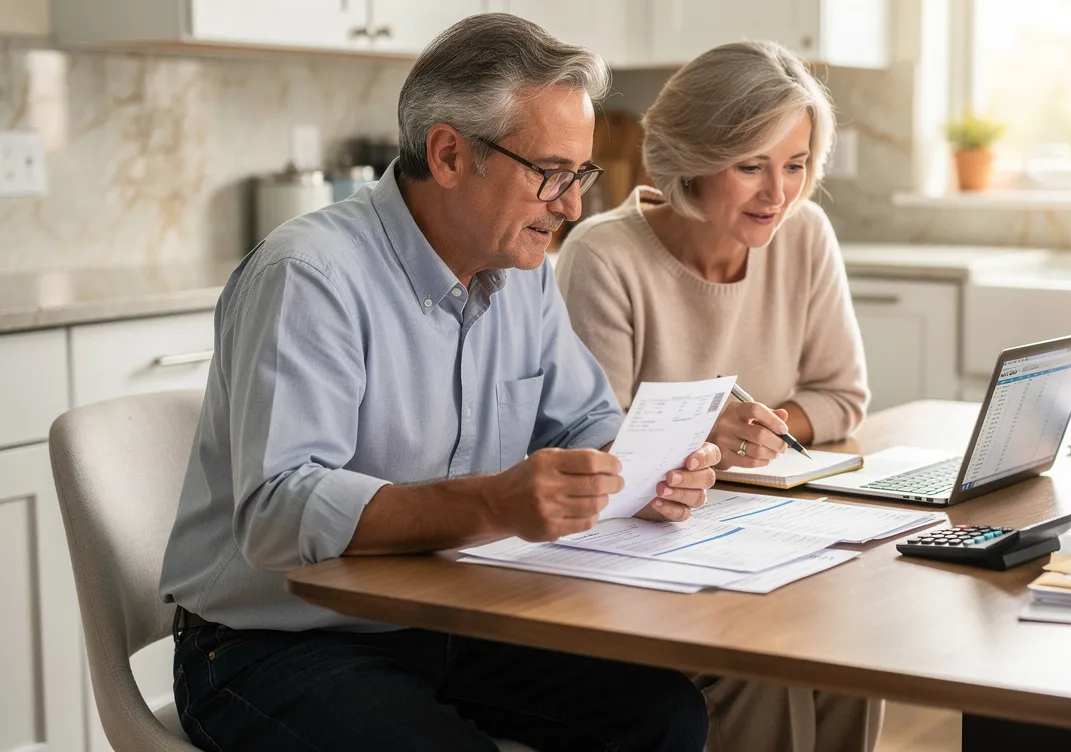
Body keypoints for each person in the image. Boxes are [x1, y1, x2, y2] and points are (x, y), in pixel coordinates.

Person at [159, 14, 719, 752]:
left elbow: (584, 424)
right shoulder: (311, 275)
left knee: (666, 713)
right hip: (272, 641)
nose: (571, 206)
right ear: (450, 154)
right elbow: (277, 511)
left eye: (580, 176)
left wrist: (650, 471)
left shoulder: (524, 273)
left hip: (451, 619)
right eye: (551, 173)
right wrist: (492, 502)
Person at [555, 40, 877, 752]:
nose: (778, 194)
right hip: (645, 548)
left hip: (761, 526)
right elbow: (593, 444)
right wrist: (702, 438)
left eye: (795, 164)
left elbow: (842, 396)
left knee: (852, 644)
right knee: (766, 658)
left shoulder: (805, 234)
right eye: (750, 166)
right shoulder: (604, 254)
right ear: (693, 160)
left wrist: (763, 429)